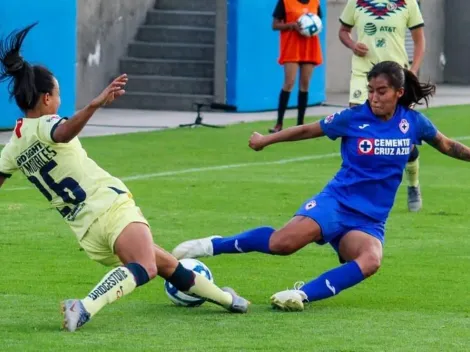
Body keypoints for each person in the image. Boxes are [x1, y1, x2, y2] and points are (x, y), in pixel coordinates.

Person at [0, 23, 249, 332]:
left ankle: (229, 300)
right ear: (47, 99)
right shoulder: (47, 124)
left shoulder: (12, 146)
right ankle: (84, 307)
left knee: (165, 263)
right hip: (109, 206)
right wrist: (95, 104)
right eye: (59, 94)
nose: (60, 100)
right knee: (147, 266)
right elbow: (62, 133)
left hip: (86, 231)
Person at [172, 61, 470, 312]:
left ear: (399, 93)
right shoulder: (354, 118)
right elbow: (307, 130)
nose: (374, 98)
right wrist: (266, 140)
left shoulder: (413, 123)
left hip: (369, 219)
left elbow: (447, 145)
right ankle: (210, 245)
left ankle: (300, 295)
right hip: (336, 203)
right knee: (281, 245)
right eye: (371, 91)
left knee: (371, 260)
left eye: (382, 92)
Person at [338, 0, 426, 212]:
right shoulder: (357, 2)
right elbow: (343, 31)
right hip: (363, 74)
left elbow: (419, 41)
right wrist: (352, 44)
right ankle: (354, 185)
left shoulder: (407, 3)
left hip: (396, 77)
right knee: (354, 129)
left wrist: (413, 70)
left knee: (404, 138)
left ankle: (413, 183)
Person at [268, 0, 323, 133]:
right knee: (289, 83)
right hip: (292, 47)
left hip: (310, 47)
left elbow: (318, 22)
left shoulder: (315, 3)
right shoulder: (285, 2)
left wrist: (310, 29)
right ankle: (279, 123)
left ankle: (300, 125)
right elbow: (274, 25)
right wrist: (292, 25)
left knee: (305, 85)